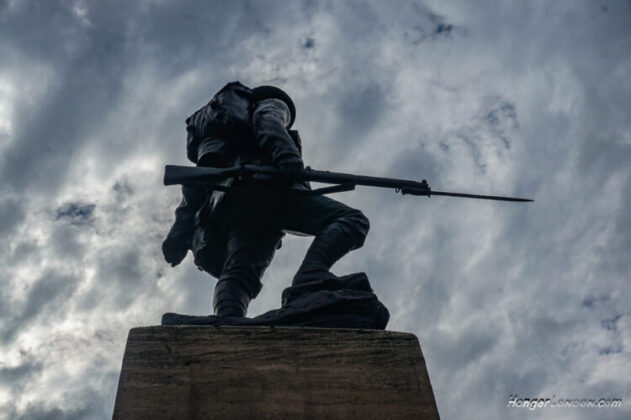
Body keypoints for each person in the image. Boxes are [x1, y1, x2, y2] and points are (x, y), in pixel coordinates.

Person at [162, 81, 369, 318]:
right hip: (267, 191)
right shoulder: (271, 104)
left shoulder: (219, 140)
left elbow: (192, 192)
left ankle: (228, 319)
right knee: (352, 220)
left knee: (240, 272)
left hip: (232, 204)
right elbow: (267, 121)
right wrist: (287, 155)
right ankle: (310, 277)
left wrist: (177, 236)